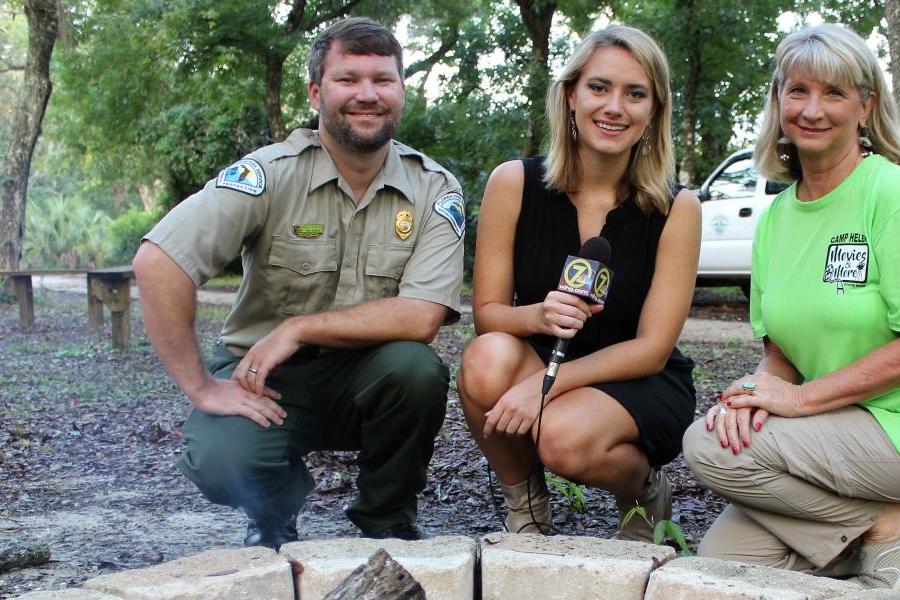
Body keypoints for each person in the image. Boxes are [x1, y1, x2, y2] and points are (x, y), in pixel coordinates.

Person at [131, 17, 464, 549]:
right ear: (315, 92)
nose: (368, 95)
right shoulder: (271, 173)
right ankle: (274, 514)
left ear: (402, 91)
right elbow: (159, 261)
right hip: (263, 376)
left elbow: (423, 314)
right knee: (219, 461)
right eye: (348, 79)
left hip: (367, 377)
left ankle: (387, 517)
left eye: (383, 79)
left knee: (417, 370)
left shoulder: (433, 188)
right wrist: (200, 386)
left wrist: (301, 328)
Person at [681, 24, 900, 592]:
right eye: (797, 91)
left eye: (834, 93)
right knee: (720, 569)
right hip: (828, 424)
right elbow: (781, 356)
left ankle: (890, 522)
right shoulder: (775, 219)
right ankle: (865, 540)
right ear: (778, 102)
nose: (812, 110)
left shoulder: (894, 197)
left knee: (705, 447)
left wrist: (795, 401)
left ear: (865, 107)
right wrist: (753, 397)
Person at [457, 25, 700, 542]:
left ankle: (643, 492)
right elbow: (489, 313)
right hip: (544, 357)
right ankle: (527, 506)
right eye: (599, 87)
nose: (614, 107)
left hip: (636, 378)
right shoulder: (513, 183)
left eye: (635, 94)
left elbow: (653, 349)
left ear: (653, 110)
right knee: (484, 358)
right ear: (570, 95)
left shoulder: (678, 207)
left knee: (562, 440)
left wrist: (543, 389)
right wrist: (537, 317)